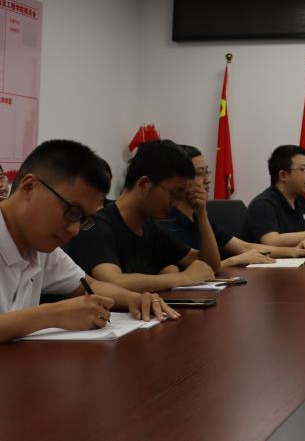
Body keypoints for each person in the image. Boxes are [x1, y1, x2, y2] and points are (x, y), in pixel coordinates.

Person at [0, 140, 179, 343]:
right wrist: (55, 314)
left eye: (84, 220)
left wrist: (135, 299)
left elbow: (88, 285)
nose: (75, 230)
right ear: (29, 187)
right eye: (72, 212)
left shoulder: (40, 246)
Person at [69, 140, 217, 292]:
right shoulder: (98, 226)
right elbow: (112, 282)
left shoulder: (150, 227)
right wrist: (184, 278)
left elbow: (208, 266)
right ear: (144, 184)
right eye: (173, 193)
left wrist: (201, 215)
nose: (176, 203)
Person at [159, 145, 305, 268]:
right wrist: (236, 260)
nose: (208, 180)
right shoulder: (166, 221)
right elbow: (200, 268)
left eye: (207, 172)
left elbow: (244, 247)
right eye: (200, 173)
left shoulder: (199, 216)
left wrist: (292, 251)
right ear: (180, 180)